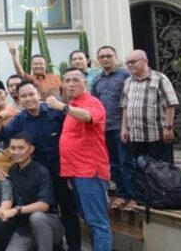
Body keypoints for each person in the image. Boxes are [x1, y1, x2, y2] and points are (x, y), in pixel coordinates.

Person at [0, 80, 81, 251]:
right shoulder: (19, 119)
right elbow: (1, 136)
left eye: (31, 94)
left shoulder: (55, 112)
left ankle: (75, 247)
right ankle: (55, 246)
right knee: (44, 211)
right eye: (23, 96)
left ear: (39, 94)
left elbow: (73, 134)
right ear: (19, 99)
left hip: (63, 169)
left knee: (69, 211)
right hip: (38, 173)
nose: (28, 99)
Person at [51, 68, 111, 251]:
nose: (70, 84)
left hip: (89, 171)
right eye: (67, 80)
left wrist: (62, 106)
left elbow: (87, 116)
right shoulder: (74, 104)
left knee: (97, 221)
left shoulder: (91, 102)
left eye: (75, 80)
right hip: (76, 172)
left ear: (85, 82)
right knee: (88, 217)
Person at [90, 45, 134, 209]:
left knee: (126, 162)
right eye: (102, 57)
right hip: (104, 129)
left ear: (116, 57)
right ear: (98, 60)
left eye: (109, 56)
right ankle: (122, 195)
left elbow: (130, 101)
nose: (106, 59)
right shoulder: (96, 80)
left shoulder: (126, 76)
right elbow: (94, 104)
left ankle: (133, 196)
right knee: (114, 164)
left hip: (123, 127)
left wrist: (126, 126)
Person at [4, 133, 65, 250]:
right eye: (13, 148)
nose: (16, 152)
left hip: (48, 224)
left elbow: (44, 205)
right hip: (25, 229)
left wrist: (17, 210)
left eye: (21, 148)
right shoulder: (12, 171)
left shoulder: (41, 172)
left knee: (36, 217)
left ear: (31, 149)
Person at [121, 49, 179, 165]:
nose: (130, 65)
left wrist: (168, 127)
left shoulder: (160, 79)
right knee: (140, 168)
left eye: (133, 62)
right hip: (136, 136)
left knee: (160, 169)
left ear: (145, 61)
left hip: (156, 135)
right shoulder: (128, 82)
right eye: (128, 63)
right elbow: (125, 106)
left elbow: (170, 104)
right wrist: (124, 128)